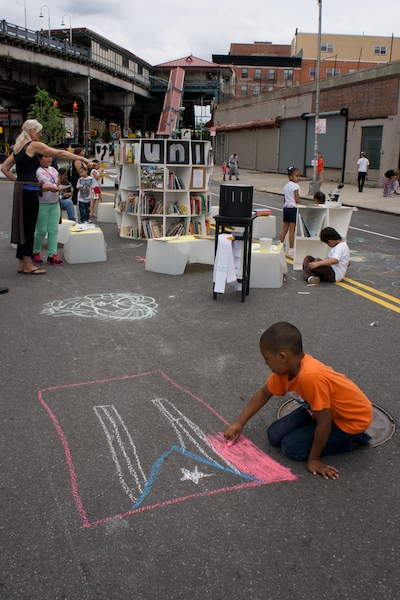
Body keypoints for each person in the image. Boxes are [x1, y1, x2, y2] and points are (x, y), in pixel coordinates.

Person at [224, 322, 373, 480]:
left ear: (282, 357)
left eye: (266, 358)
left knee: (292, 448)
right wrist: (239, 422)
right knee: (274, 436)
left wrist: (314, 459)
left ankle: (355, 440)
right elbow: (263, 393)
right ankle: (314, 432)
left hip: (349, 419)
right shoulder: (285, 370)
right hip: (320, 410)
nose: (265, 363)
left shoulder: (310, 377)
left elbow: (325, 424)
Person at [0, 119, 92, 275]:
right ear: (30, 131)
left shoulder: (17, 147)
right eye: (38, 131)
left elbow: (4, 168)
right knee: (29, 227)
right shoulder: (32, 145)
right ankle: (28, 264)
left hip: (21, 189)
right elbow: (58, 153)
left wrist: (19, 181)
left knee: (23, 226)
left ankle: (22, 263)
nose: (40, 134)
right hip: (30, 190)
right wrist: (82, 159)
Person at [32, 155, 63, 266]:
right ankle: (35, 252)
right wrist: (48, 188)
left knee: (53, 230)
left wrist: (59, 188)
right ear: (39, 158)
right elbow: (35, 186)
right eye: (46, 157)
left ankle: (52, 255)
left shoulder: (54, 170)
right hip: (42, 204)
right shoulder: (35, 171)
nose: (49, 159)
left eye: (50, 157)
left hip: (55, 203)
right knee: (41, 230)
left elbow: (58, 183)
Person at [279, 166, 301, 255]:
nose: (298, 178)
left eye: (299, 176)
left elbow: (285, 199)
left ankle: (280, 245)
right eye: (296, 176)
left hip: (286, 207)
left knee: (285, 228)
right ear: (291, 177)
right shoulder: (295, 186)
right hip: (293, 208)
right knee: (292, 229)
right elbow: (297, 200)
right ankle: (291, 249)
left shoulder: (286, 186)